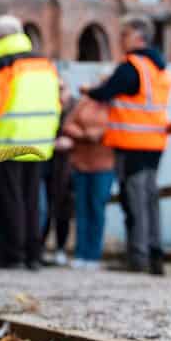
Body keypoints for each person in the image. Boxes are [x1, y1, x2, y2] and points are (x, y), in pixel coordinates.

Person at [0, 15, 61, 271]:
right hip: (39, 141)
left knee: (9, 200)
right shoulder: (44, 64)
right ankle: (33, 253)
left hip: (6, 141)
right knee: (31, 200)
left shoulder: (1, 65)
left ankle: (12, 253)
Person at [82, 14, 171, 275]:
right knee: (149, 197)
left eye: (123, 35)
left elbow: (106, 92)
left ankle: (138, 257)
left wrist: (88, 90)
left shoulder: (132, 66)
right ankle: (155, 253)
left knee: (134, 200)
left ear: (137, 36)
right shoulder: (160, 68)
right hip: (155, 141)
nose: (120, 41)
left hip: (132, 141)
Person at [56, 90, 115, 270]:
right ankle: (80, 253)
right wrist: (85, 134)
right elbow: (68, 124)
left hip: (104, 164)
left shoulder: (115, 105)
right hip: (81, 163)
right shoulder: (85, 102)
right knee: (81, 209)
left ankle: (93, 254)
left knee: (97, 208)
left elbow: (117, 126)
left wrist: (98, 133)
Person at [42, 85, 75, 267]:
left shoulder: (74, 108)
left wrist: (72, 140)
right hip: (47, 165)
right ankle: (40, 246)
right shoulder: (47, 108)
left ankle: (61, 248)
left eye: (62, 89)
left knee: (63, 210)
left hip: (67, 168)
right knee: (44, 209)